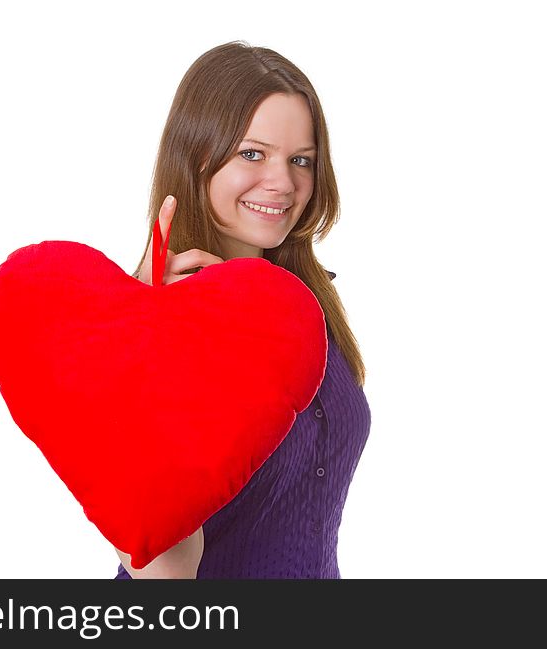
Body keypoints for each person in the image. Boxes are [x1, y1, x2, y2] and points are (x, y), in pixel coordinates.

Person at [112, 41, 371, 579]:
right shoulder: (156, 320)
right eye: (252, 154)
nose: (283, 182)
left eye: (301, 160)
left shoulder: (307, 303)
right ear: (196, 155)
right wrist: (138, 346)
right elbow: (158, 569)